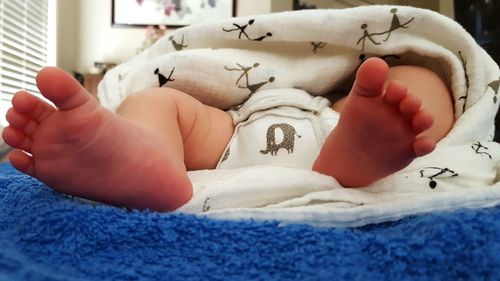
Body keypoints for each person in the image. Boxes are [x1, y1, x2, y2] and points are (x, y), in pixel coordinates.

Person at [1, 58, 454, 212]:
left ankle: (363, 149)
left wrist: (362, 106)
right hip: (238, 127)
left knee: (417, 83)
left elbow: (373, 88)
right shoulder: (322, 98)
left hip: (330, 132)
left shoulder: (343, 108)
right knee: (161, 100)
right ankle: (150, 158)